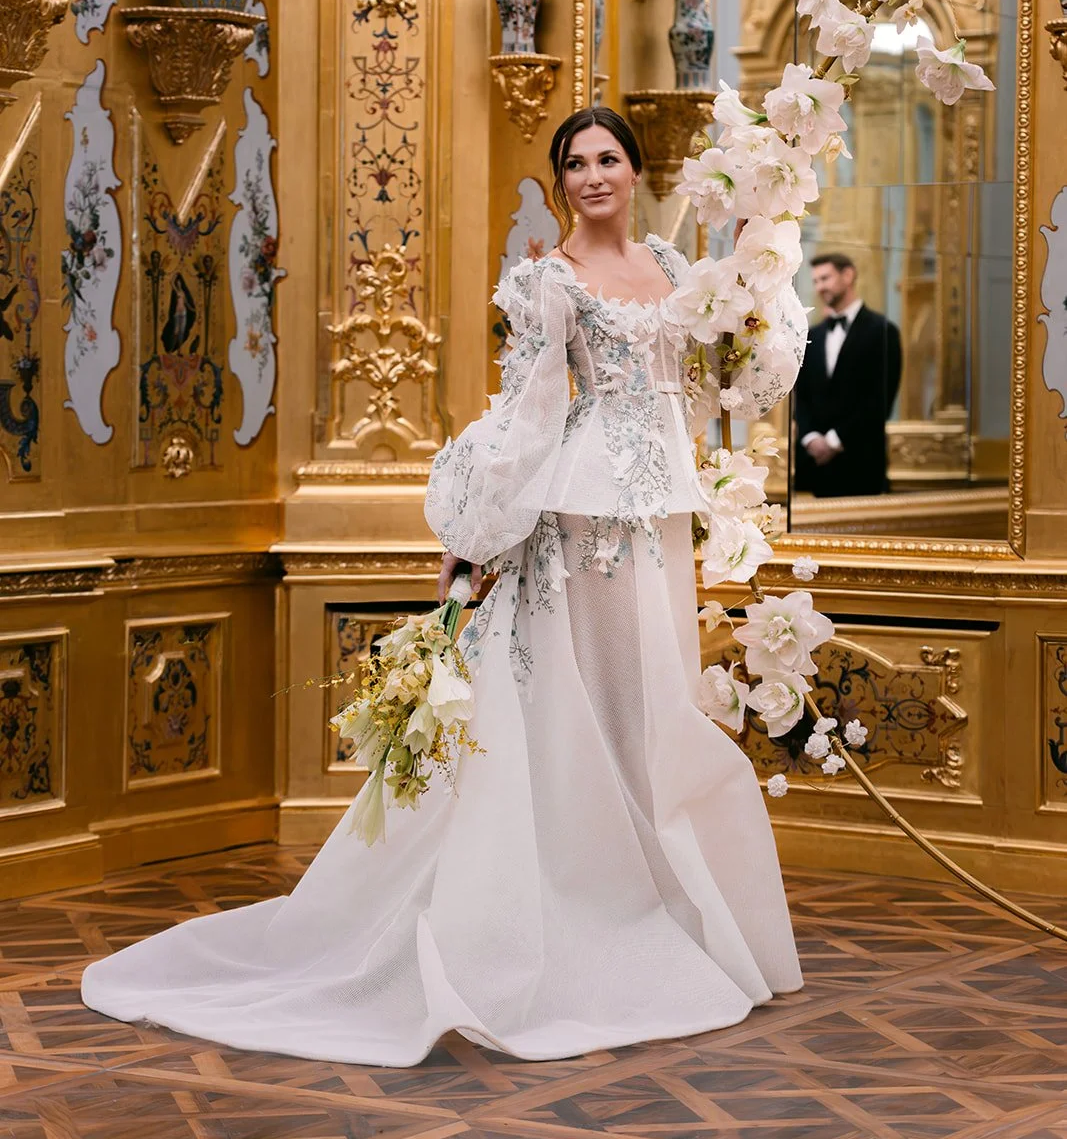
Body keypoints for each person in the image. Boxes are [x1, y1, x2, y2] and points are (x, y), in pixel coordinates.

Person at [80, 106, 802, 1066]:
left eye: (608, 159)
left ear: (635, 171)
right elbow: (528, 408)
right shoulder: (549, 280)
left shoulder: (674, 269)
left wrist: (763, 267)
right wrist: (473, 535)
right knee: (583, 711)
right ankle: (577, 906)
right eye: (575, 163)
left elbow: (725, 380)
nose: (592, 175)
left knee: (652, 705)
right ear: (559, 182)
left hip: (661, 514)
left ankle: (666, 898)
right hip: (576, 519)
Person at [794, 252, 902, 498]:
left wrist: (833, 441)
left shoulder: (883, 331)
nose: (820, 286)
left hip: (861, 464)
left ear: (848, 275)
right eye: (816, 281)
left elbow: (879, 401)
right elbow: (801, 397)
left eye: (825, 278)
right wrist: (811, 438)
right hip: (814, 470)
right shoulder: (812, 335)